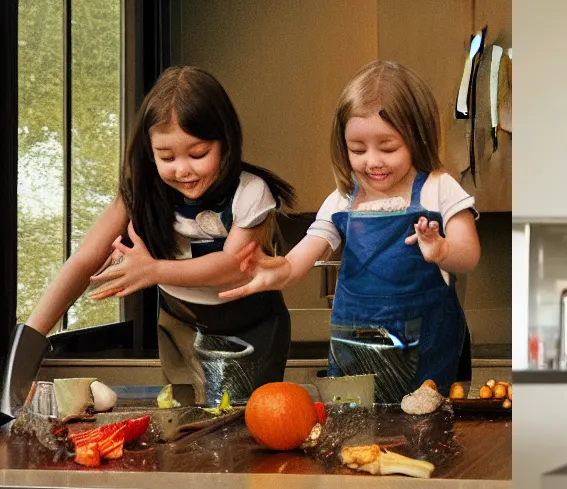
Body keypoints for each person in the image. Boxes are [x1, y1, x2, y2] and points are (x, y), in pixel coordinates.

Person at [23, 65, 296, 403]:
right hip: (180, 323)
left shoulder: (251, 193)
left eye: (198, 154)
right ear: (149, 152)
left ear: (225, 143)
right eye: (166, 156)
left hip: (251, 330)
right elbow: (84, 260)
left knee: (244, 419)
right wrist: (28, 344)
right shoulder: (140, 192)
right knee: (185, 417)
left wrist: (153, 270)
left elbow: (231, 266)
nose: (182, 169)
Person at [220, 61, 481, 403]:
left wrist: (441, 250)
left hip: (426, 353)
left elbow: (469, 253)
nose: (372, 161)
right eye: (357, 149)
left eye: (387, 148)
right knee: (355, 437)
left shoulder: (438, 188)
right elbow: (303, 257)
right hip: (354, 350)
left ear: (417, 138)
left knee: (423, 437)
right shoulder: (342, 199)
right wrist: (278, 271)